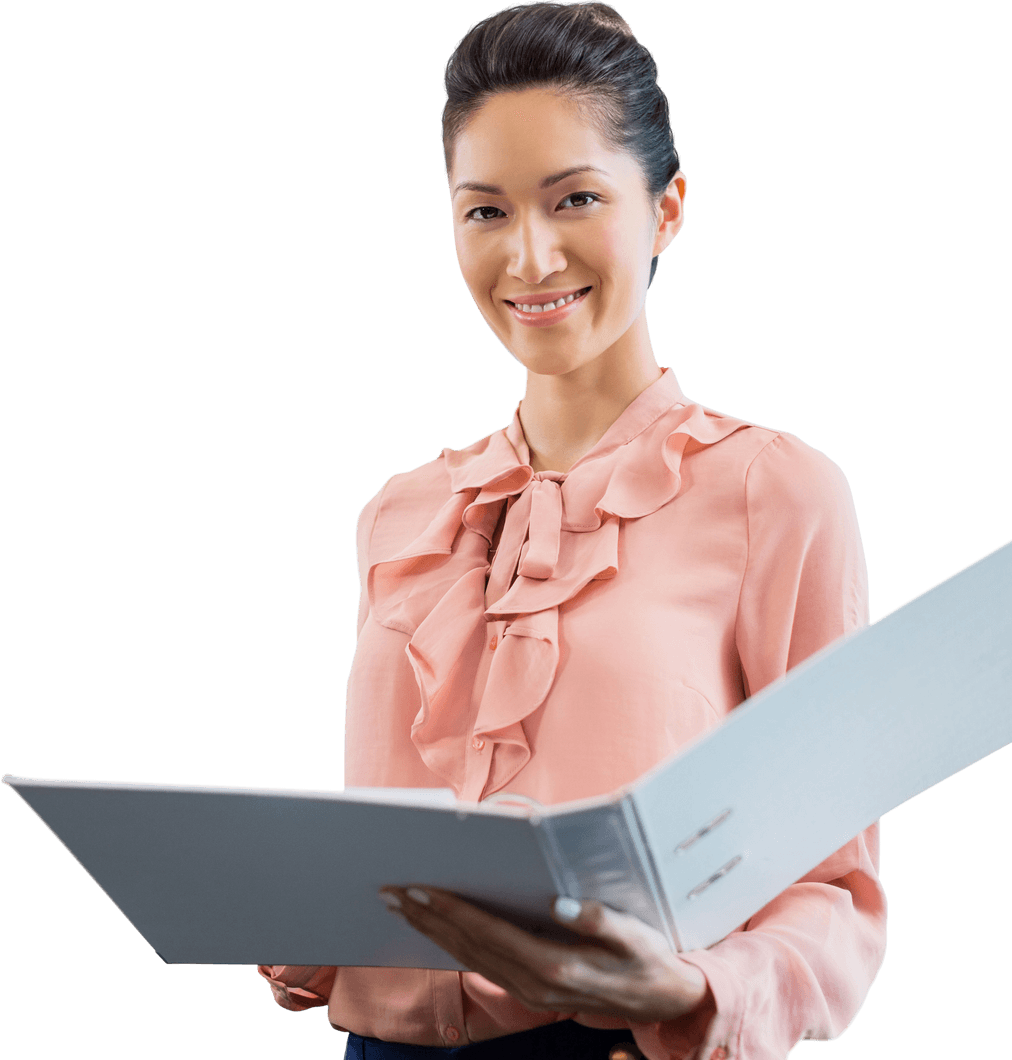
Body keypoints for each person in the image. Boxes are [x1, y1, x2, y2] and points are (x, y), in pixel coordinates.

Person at [258, 3, 887, 1058]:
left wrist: (691, 988)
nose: (530, 256)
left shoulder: (780, 492)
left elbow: (835, 883)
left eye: (576, 198)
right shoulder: (399, 513)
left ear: (668, 209)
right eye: (485, 212)